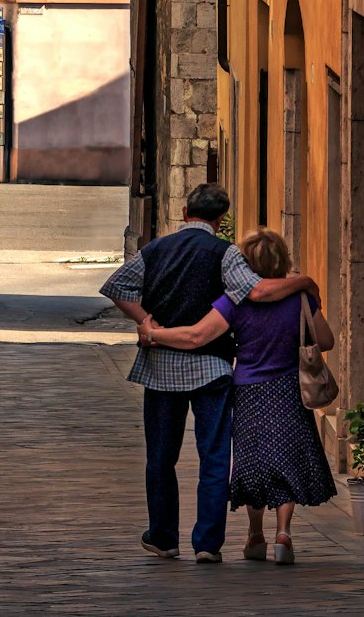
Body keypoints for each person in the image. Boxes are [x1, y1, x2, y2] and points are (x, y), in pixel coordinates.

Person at [100, 186, 321, 564]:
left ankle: (164, 537)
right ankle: (207, 543)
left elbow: (116, 286)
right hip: (212, 369)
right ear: (221, 219)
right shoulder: (226, 253)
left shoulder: (156, 249)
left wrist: (145, 320)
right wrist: (302, 282)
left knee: (160, 457)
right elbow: (258, 293)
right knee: (214, 459)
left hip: (160, 370)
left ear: (185, 212)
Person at [143, 227, 336, 565]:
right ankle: (283, 533)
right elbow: (327, 340)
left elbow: (196, 336)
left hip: (247, 391)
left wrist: (155, 334)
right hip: (288, 389)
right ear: (284, 260)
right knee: (285, 458)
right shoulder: (302, 298)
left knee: (254, 463)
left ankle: (255, 534)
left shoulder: (234, 301)